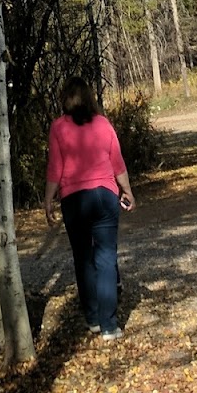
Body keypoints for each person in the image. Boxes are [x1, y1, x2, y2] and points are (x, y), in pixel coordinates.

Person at [43, 75, 135, 340]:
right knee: (106, 259)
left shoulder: (58, 127)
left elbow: (55, 168)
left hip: (74, 199)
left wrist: (49, 200)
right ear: (90, 98)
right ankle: (109, 325)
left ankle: (93, 318)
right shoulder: (103, 124)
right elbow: (117, 162)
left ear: (65, 100)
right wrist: (127, 190)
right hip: (105, 195)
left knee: (83, 258)